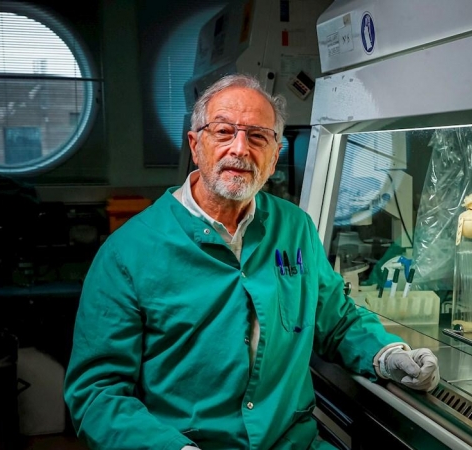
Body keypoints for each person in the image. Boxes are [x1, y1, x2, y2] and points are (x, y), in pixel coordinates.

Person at [63, 73, 440, 450]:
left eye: (257, 136)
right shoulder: (127, 253)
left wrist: (387, 354)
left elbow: (337, 320)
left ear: (275, 157)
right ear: (196, 145)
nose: (240, 149)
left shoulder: (295, 229)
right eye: (224, 132)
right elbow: (97, 393)